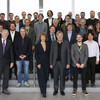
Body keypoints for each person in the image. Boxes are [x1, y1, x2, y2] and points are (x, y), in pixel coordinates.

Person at [50, 31, 70, 96]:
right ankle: (55, 89)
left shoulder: (66, 43)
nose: (60, 36)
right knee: (55, 77)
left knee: (62, 77)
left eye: (61, 35)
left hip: (63, 63)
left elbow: (68, 54)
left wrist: (68, 63)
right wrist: (51, 63)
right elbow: (51, 54)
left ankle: (62, 90)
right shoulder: (53, 43)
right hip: (55, 63)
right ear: (56, 36)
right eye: (58, 35)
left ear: (63, 36)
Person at [35, 33, 50, 97]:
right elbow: (36, 55)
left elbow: (50, 54)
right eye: (42, 37)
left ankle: (44, 88)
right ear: (40, 38)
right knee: (41, 77)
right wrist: (38, 63)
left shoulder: (48, 44)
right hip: (40, 63)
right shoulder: (37, 45)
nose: (43, 38)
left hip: (47, 63)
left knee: (46, 76)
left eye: (44, 37)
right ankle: (43, 91)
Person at [0, 29, 14, 94]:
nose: (5, 35)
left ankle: (4, 89)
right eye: (4, 33)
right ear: (1, 34)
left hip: (7, 62)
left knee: (6, 76)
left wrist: (12, 62)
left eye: (6, 34)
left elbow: (11, 52)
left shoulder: (9, 42)